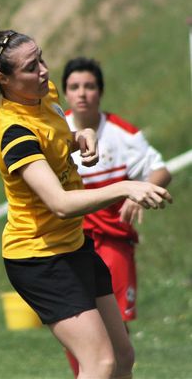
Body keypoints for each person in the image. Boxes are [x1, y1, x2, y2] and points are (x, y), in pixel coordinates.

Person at [0, 0, 172, 379]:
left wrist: (81, 138)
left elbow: (58, 137)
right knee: (99, 363)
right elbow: (59, 203)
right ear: (3, 79)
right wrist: (126, 187)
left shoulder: (44, 96)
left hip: (74, 247)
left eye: (41, 59)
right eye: (30, 67)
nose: (44, 71)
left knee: (122, 357)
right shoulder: (14, 132)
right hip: (39, 259)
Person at [61, 56, 172, 377]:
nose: (82, 93)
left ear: (101, 92)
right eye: (74, 86)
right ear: (66, 93)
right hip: (70, 241)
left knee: (117, 328)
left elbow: (161, 171)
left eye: (90, 86)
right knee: (77, 323)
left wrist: (141, 191)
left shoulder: (123, 134)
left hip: (113, 242)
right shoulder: (56, 132)